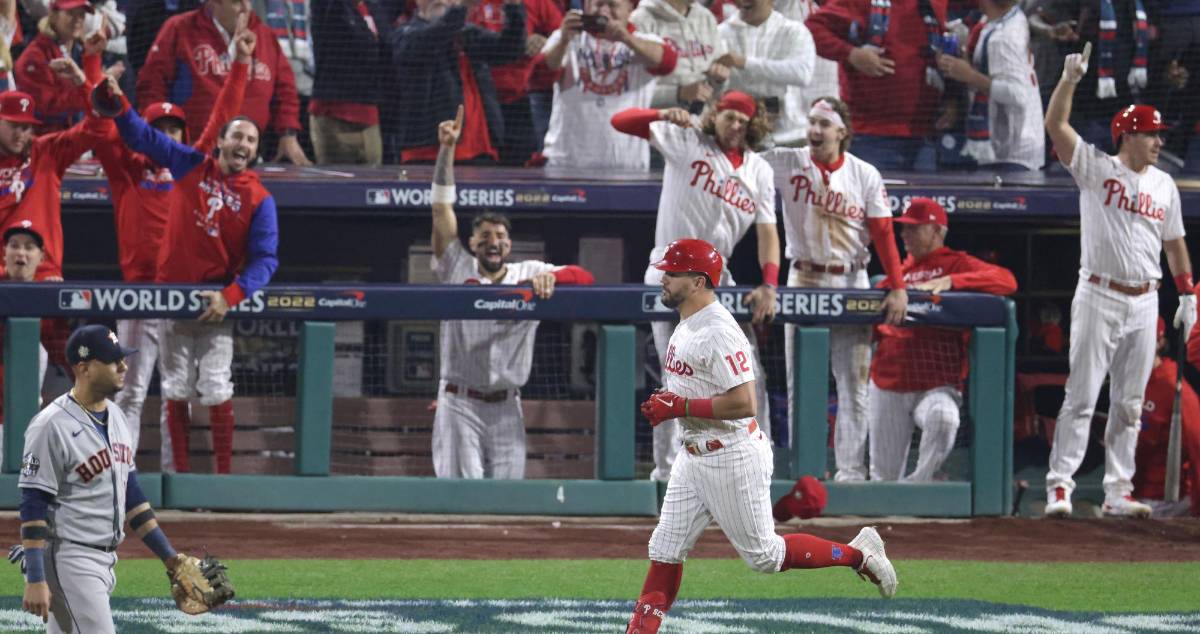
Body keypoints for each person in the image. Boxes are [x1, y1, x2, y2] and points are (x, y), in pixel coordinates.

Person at [625, 238, 896, 634]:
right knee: (664, 548)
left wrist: (679, 408)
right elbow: (699, 388)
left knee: (765, 556)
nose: (662, 279)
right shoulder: (687, 322)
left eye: (672, 273)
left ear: (698, 281)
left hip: (730, 455)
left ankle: (859, 555)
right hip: (693, 455)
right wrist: (670, 400)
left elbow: (744, 402)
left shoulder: (718, 330)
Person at [94, 72, 280, 475]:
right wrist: (121, 104)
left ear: (256, 150)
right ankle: (179, 479)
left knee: (215, 386)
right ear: (219, 142)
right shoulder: (191, 165)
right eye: (237, 136)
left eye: (251, 140)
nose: (243, 144)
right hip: (170, 296)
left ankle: (223, 482)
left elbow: (267, 260)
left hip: (216, 301)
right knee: (176, 387)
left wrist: (231, 295)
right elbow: (145, 139)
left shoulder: (260, 198)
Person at [1043, 42, 1193, 518]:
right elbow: (1056, 126)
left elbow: (1175, 243)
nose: (1159, 141)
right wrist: (1069, 80)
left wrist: (1188, 293)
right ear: (1128, 136)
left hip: (1145, 300)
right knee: (1083, 395)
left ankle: (1117, 492)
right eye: (1151, 134)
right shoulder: (1097, 168)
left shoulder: (1164, 185)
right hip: (1099, 293)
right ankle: (1060, 486)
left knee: (1130, 402)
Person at [611, 90, 780, 483]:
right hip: (668, 269)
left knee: (747, 370)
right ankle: (668, 475)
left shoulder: (760, 170)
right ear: (715, 115)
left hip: (719, 278)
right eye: (729, 117)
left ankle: (752, 465)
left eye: (743, 119)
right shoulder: (687, 140)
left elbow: (768, 233)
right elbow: (620, 121)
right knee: (678, 373)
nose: (735, 125)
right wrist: (660, 112)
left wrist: (770, 283)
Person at [429, 106, 594, 478]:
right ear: (471, 242)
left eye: (500, 237)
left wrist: (553, 280)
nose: (493, 242)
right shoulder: (457, 265)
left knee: (509, 501)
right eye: (484, 236)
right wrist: (447, 151)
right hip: (459, 401)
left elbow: (585, 277)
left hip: (507, 405)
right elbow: (441, 211)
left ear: (510, 245)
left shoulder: (528, 271)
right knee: (462, 497)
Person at [761, 95, 907, 482]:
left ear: (842, 132)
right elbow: (742, 165)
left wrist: (897, 285)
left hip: (851, 279)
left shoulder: (864, 174)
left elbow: (882, 233)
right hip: (804, 276)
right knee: (799, 383)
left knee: (853, 382)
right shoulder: (787, 161)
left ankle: (850, 472)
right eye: (811, 122)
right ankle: (801, 470)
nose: (814, 130)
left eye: (823, 124)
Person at [17, 325, 187, 632]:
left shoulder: (118, 417)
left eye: (121, 358)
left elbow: (132, 497)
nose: (123, 366)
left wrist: (170, 558)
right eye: (113, 361)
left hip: (105, 560)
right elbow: (33, 504)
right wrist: (36, 578)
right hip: (69, 559)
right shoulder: (50, 426)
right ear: (84, 368)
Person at [867, 198, 1018, 481]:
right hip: (889, 383)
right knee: (883, 479)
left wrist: (953, 283)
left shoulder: (956, 264)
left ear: (937, 232)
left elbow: (1007, 281)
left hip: (936, 384)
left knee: (944, 419)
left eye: (914, 229)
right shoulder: (894, 277)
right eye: (903, 229)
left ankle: (918, 486)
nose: (904, 235)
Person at [137, 0, 312, 165]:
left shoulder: (265, 35)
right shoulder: (180, 29)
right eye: (236, 2)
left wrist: (288, 134)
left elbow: (285, 90)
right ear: (213, 3)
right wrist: (160, 134)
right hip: (191, 152)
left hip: (247, 155)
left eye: (248, 0)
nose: (245, 7)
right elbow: (151, 86)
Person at [806, 0, 949, 171]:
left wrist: (953, 98)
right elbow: (812, 28)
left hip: (926, 135)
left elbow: (945, 54)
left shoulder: (935, 3)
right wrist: (851, 54)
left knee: (928, 198)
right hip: (871, 135)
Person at [538, 0, 675, 170]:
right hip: (567, 162)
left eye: (612, 5)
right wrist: (564, 40)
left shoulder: (643, 41)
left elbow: (667, 62)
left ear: (630, 8)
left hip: (627, 166)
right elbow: (541, 75)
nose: (603, 11)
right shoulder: (566, 36)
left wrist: (626, 38)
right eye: (597, 4)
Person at [388, 0, 527, 164]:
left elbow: (509, 50)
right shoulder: (404, 34)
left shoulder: (467, 33)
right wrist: (461, 9)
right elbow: (435, 36)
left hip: (481, 150)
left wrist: (514, 7)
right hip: (428, 152)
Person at [935, 0, 1044, 170]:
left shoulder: (1004, 38)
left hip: (1012, 153)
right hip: (1011, 145)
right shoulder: (1007, 19)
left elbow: (1018, 95)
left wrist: (970, 76)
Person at [469, 0, 562, 165]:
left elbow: (562, 35)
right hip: (473, 103)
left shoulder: (537, 3)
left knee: (520, 174)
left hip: (519, 100)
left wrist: (544, 42)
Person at [714, 0, 815, 146]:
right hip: (740, 135)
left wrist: (745, 63)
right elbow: (715, 90)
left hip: (790, 135)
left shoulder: (794, 31)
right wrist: (718, 80)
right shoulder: (720, 33)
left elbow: (802, 74)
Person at [307, 0, 390, 165]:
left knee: (371, 187)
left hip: (371, 117)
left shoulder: (374, 7)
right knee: (338, 189)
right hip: (335, 117)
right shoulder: (328, 6)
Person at [1134, 317, 1200, 518]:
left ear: (1160, 343)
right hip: (1131, 493)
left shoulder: (1174, 388)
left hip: (1163, 500)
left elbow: (1197, 446)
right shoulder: (1125, 381)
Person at [13, 0, 98, 133]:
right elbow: (46, 109)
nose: (77, 20)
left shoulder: (79, 50)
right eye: (70, 13)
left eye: (81, 15)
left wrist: (94, 61)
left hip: (74, 136)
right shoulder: (35, 56)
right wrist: (88, 91)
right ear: (53, 15)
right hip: (45, 143)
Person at [629, 0, 728, 111]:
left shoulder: (706, 17)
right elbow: (630, 95)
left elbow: (719, 89)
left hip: (701, 119)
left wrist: (719, 81)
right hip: (658, 121)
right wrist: (677, 93)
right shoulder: (640, 20)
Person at [0, 220, 51, 437]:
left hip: (24, 418)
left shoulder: (51, 296)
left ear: (42, 257)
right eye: (14, 245)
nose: (21, 252)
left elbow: (65, 359)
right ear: (4, 253)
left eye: (29, 247)